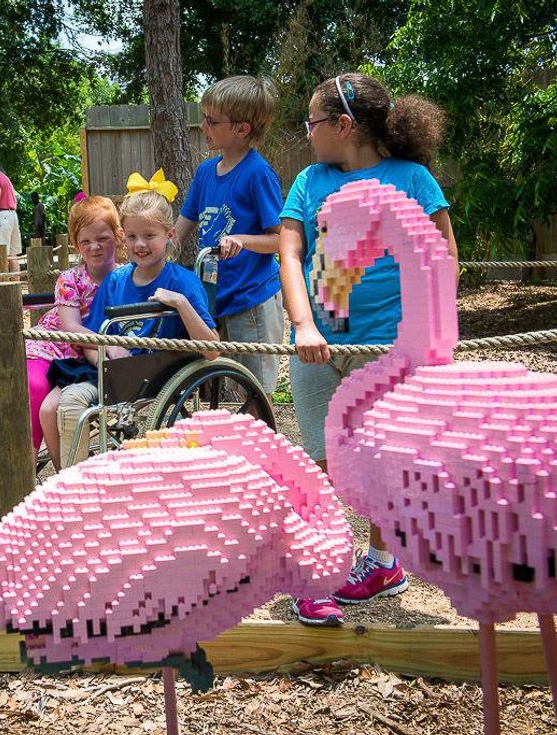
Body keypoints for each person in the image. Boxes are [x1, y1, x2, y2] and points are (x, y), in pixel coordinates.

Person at [280, 73, 458, 627]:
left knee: (380, 461)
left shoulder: (413, 178)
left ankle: (382, 562)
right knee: (322, 462)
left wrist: (429, 329)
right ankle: (320, 571)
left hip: (389, 346)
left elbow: (444, 254)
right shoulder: (309, 181)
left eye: (312, 123)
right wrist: (304, 324)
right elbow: (289, 255)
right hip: (317, 348)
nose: (307, 134)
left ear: (343, 125)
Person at [0, 196, 122, 514]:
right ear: (77, 245)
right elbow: (68, 328)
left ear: (117, 238)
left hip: (83, 360)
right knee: (34, 388)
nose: (95, 247)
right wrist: (110, 345)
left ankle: (44, 481)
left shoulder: (124, 279)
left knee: (50, 406)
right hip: (53, 345)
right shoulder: (70, 280)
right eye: (86, 241)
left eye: (103, 239)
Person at [54, 170, 220, 468]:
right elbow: (91, 342)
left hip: (156, 377)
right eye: (131, 236)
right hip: (114, 374)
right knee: (68, 404)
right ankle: (75, 483)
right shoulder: (115, 281)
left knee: (74, 404)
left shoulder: (183, 282)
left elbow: (212, 349)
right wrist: (108, 354)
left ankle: (77, 484)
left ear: (169, 236)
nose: (139, 244)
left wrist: (181, 304)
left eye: (149, 236)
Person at [174, 75, 284, 402]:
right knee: (218, 388)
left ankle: (262, 449)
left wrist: (243, 241)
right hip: (212, 300)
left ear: (242, 129)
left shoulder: (257, 173)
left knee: (253, 393)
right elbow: (182, 226)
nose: (203, 125)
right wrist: (155, 249)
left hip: (252, 300)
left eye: (212, 120)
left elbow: (281, 240)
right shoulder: (206, 172)